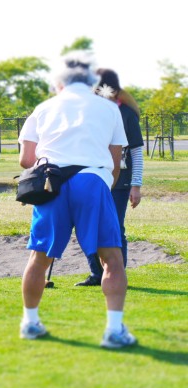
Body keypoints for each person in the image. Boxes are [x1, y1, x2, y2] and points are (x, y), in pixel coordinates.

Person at [17, 51, 137, 349]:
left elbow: (26, 159)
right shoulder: (108, 108)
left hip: (51, 183)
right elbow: (115, 161)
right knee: (111, 259)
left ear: (59, 82)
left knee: (39, 258)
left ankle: (30, 323)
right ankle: (114, 330)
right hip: (92, 181)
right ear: (91, 80)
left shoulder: (44, 108)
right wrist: (101, 185)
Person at [76, 69, 144, 286]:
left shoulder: (126, 113)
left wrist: (136, 185)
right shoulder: (89, 112)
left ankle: (116, 275)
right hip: (92, 177)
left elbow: (136, 152)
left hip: (120, 181)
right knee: (87, 225)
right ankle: (97, 273)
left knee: (114, 228)